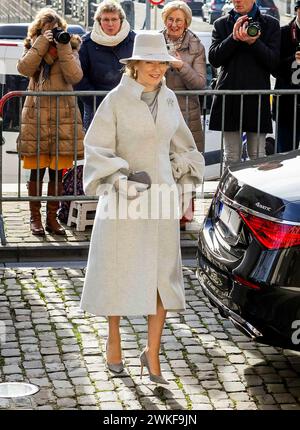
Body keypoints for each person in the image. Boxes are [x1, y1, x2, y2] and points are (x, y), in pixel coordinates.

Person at [80, 32, 204, 384]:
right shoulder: (115, 101)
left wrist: (182, 172)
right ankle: (114, 339)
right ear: (133, 65)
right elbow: (97, 148)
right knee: (118, 271)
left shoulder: (168, 99)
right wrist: (120, 178)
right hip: (123, 201)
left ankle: (152, 354)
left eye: (162, 62)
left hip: (162, 201)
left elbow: (185, 146)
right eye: (149, 61)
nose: (156, 68)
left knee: (161, 279)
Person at [17, 8, 84, 236]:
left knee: (56, 171)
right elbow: (25, 69)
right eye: (46, 31)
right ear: (38, 31)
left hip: (62, 119)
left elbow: (74, 77)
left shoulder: (71, 48)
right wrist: (41, 44)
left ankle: (52, 219)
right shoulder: (31, 48)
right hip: (37, 119)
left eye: (55, 31)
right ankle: (34, 219)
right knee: (37, 171)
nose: (51, 35)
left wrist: (62, 46)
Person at [208, 0, 280, 167]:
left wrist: (254, 42)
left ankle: (256, 193)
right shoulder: (221, 24)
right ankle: (231, 193)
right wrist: (233, 38)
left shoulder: (270, 24)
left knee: (258, 156)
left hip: (257, 97)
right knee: (231, 156)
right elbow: (214, 59)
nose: (237, 1)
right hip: (229, 95)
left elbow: (273, 62)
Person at [75, 0, 135, 130]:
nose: (110, 24)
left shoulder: (134, 40)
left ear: (121, 20)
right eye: (105, 19)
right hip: (96, 105)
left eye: (114, 19)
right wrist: (94, 99)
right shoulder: (86, 43)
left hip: (129, 103)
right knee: (96, 147)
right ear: (98, 21)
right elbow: (79, 77)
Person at [161, 0, 207, 153]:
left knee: (188, 163)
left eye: (179, 20)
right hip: (159, 110)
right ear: (165, 20)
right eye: (170, 19)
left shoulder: (197, 47)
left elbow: (200, 84)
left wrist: (181, 66)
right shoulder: (155, 42)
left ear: (186, 23)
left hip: (187, 114)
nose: (174, 24)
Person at [273, 0, 300, 153]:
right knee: (285, 157)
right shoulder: (283, 33)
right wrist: (292, 60)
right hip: (287, 108)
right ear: (296, 10)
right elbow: (273, 67)